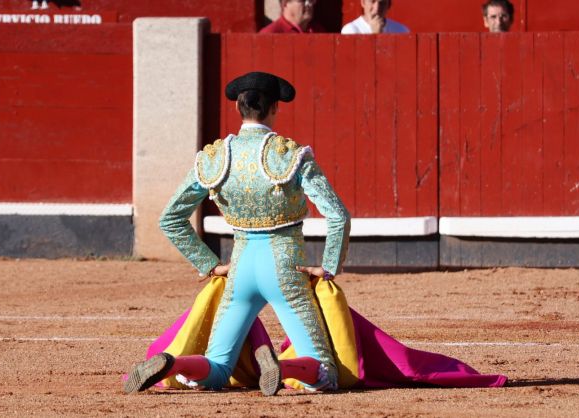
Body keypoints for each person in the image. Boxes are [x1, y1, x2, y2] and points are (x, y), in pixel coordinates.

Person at [124, 71, 351, 396]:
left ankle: (175, 365)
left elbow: (171, 218)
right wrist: (329, 265)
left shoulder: (215, 158)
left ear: (237, 108)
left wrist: (209, 264)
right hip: (285, 268)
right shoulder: (291, 155)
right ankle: (282, 366)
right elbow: (338, 215)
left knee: (217, 367)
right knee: (324, 370)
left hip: (240, 267)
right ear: (274, 108)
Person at [341, 0, 410, 34]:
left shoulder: (401, 30)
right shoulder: (351, 30)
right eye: (372, 1)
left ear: (389, 5)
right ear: (363, 3)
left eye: (382, 3)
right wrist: (376, 34)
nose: (377, 8)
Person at [259, 0, 325, 33]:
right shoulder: (270, 34)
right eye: (302, 0)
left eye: (311, 0)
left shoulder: (319, 30)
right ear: (285, 3)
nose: (309, 4)